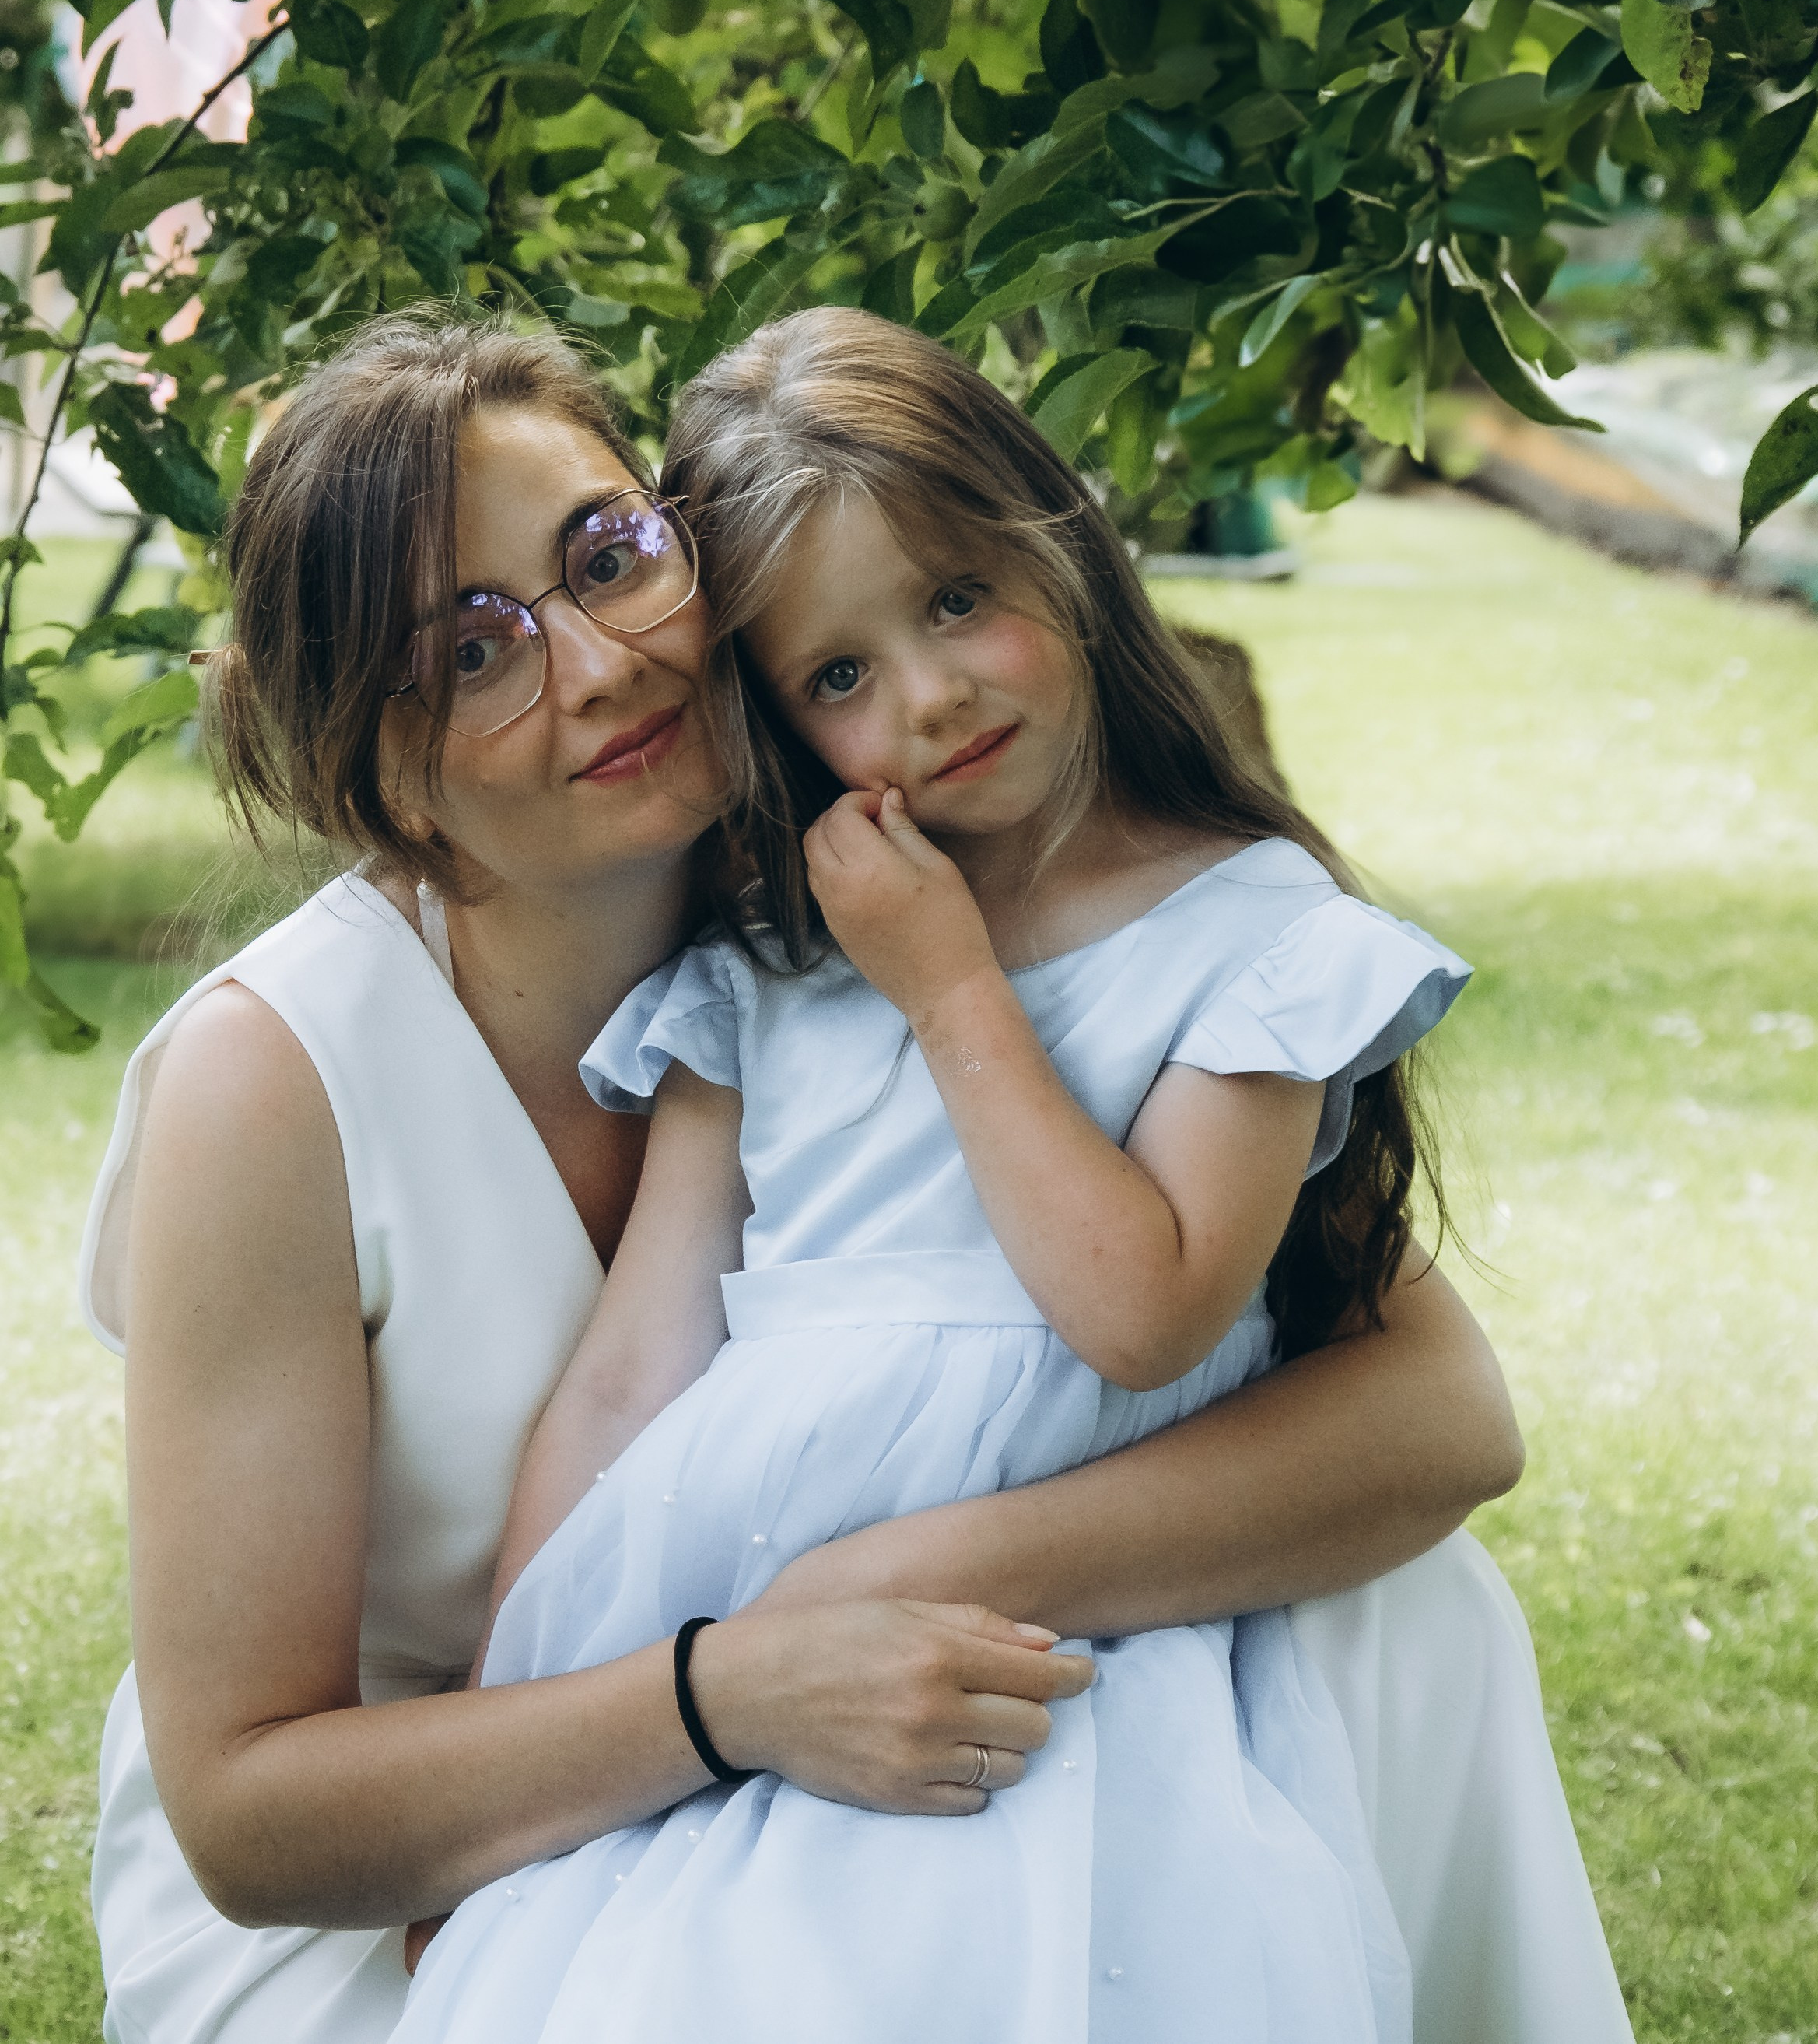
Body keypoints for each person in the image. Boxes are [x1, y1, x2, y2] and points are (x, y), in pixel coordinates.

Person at [77, 311, 1631, 2044]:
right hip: (413, 1854)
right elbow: (250, 1816)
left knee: (1384, 1609)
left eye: (606, 558)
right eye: (472, 655)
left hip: (829, 1695)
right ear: (381, 776)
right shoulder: (269, 1084)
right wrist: (727, 1692)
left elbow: (1429, 1412)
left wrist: (917, 1581)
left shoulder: (882, 898)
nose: (597, 663)